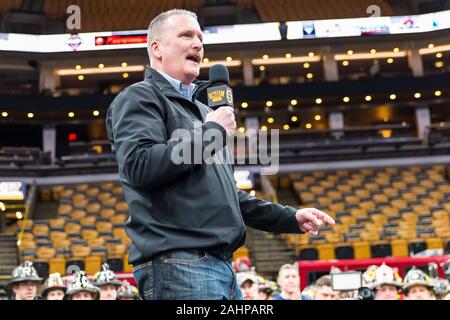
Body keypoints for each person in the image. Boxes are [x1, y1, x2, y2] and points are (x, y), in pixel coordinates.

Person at [106, 8, 334, 300]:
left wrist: (290, 217)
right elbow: (140, 166)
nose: (198, 44)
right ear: (156, 48)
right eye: (186, 35)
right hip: (179, 262)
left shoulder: (205, 114)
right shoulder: (138, 97)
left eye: (200, 37)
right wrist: (210, 134)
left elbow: (229, 195)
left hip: (222, 267)